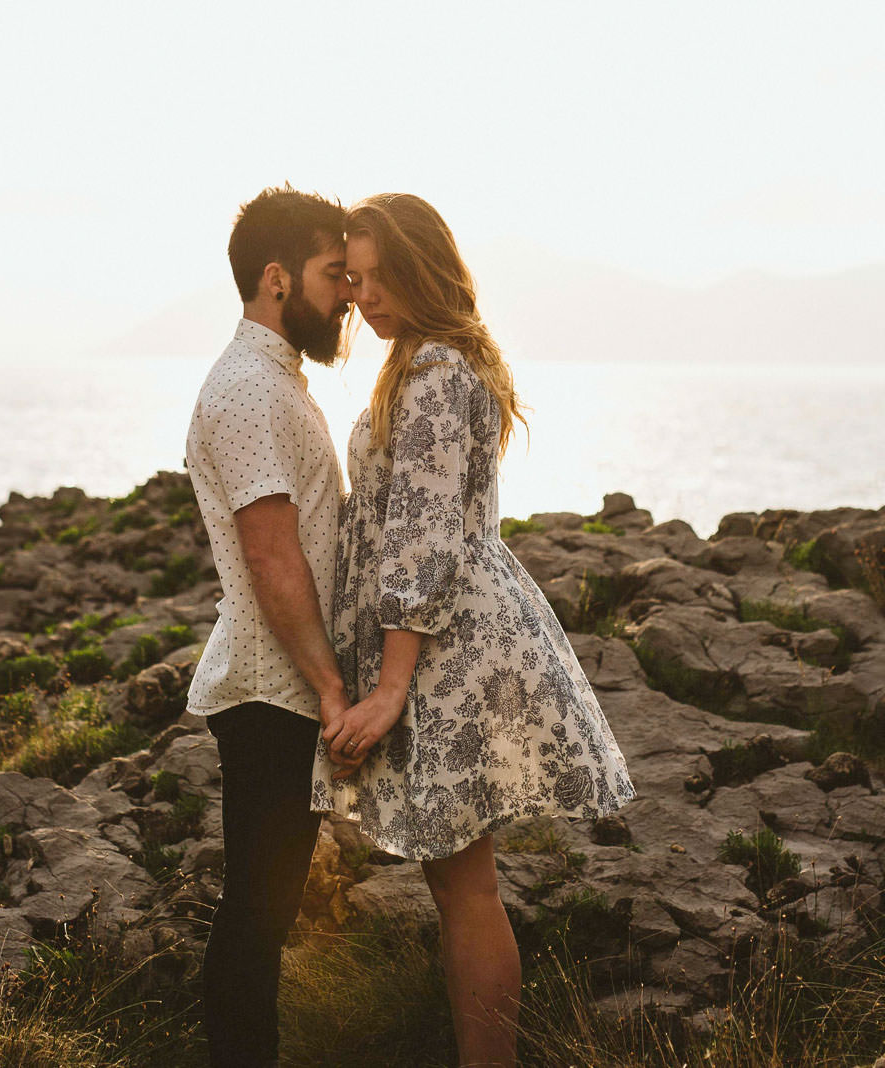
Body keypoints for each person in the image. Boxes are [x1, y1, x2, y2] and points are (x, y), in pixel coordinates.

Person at [312, 192, 637, 1067]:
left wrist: (388, 690)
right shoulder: (427, 365)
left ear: (426, 271)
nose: (365, 295)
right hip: (449, 636)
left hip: (443, 649)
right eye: (355, 277)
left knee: (465, 887)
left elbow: (419, 540)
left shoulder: (436, 376)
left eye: (383, 276)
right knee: (459, 881)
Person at [183, 184, 360, 1068]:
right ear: (278, 279)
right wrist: (331, 687)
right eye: (336, 274)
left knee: (264, 909)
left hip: (278, 684)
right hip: (270, 690)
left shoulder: (274, 379)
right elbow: (273, 558)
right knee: (255, 917)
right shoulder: (250, 390)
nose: (351, 293)